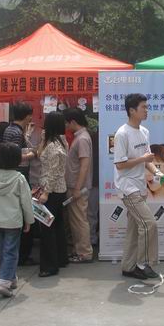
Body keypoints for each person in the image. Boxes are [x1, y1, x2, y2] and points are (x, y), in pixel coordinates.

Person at [114, 93, 163, 279]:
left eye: (147, 107)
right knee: (149, 224)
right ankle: (143, 265)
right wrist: (142, 159)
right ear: (132, 110)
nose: (147, 110)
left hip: (140, 186)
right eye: (144, 107)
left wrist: (157, 172)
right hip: (127, 188)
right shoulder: (122, 134)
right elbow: (120, 165)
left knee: (134, 229)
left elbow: (147, 159)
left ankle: (128, 267)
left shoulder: (144, 132)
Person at [0, 142, 34, 298]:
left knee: (3, 250)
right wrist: (29, 220)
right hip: (13, 221)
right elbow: (26, 202)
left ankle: (11, 278)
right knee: (11, 251)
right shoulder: (19, 178)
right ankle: (4, 282)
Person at [3, 102, 37, 266]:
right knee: (24, 214)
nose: (31, 118)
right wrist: (32, 154)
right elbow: (15, 157)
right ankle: (23, 255)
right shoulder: (16, 133)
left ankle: (18, 254)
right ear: (27, 116)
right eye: (30, 115)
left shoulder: (9, 129)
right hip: (19, 177)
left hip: (11, 177)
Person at [37, 112, 69, 277]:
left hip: (52, 191)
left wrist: (46, 193)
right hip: (58, 189)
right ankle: (61, 258)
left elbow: (53, 172)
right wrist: (43, 139)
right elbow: (39, 153)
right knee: (57, 226)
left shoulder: (54, 146)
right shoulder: (60, 141)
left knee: (47, 228)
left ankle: (50, 266)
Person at [63, 108, 93, 263]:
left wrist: (77, 188)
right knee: (76, 221)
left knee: (79, 220)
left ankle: (84, 253)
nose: (66, 126)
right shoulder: (81, 137)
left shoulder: (82, 139)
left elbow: (84, 165)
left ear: (73, 122)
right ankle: (79, 250)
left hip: (78, 187)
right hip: (76, 186)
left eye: (67, 123)